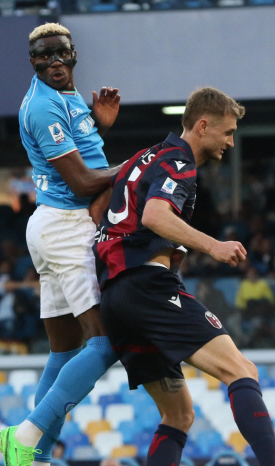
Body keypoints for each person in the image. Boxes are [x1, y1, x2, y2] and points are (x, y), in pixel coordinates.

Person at [95, 88, 275, 465]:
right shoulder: (179, 162)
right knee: (241, 369)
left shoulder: (142, 158)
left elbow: (102, 208)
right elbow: (155, 216)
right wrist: (214, 246)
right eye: (227, 132)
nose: (230, 141)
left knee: (179, 414)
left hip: (116, 296)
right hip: (147, 287)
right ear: (203, 125)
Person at [0, 22, 122, 466]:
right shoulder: (43, 107)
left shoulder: (66, 97)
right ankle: (26, 435)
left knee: (64, 351)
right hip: (67, 227)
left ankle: (34, 455)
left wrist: (98, 128)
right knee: (105, 344)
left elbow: (81, 157)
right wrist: (142, 163)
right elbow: (86, 181)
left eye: (60, 53)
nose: (54, 62)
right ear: (32, 62)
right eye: (43, 56)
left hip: (54, 225)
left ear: (73, 55)